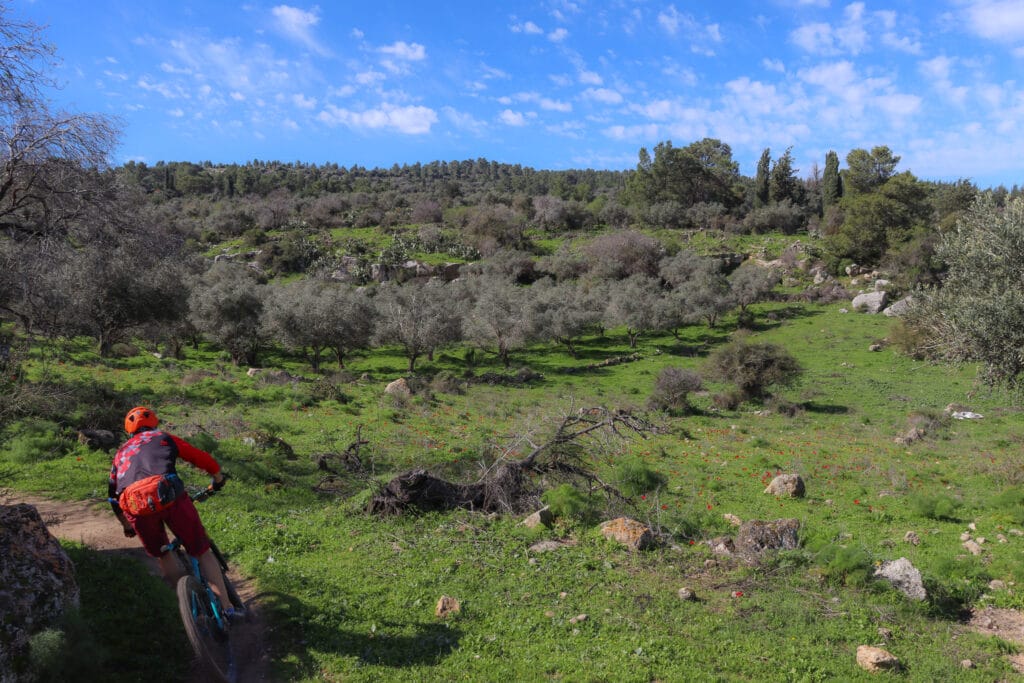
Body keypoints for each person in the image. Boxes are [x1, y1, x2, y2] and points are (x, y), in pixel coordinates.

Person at [109, 406, 232, 609]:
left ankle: (191, 605)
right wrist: (217, 478)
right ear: (154, 424)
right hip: (168, 495)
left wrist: (126, 525)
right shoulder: (163, 437)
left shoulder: (120, 454)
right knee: (202, 552)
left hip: (135, 506)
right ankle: (227, 608)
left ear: (129, 432)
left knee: (162, 554)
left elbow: (113, 497)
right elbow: (200, 458)